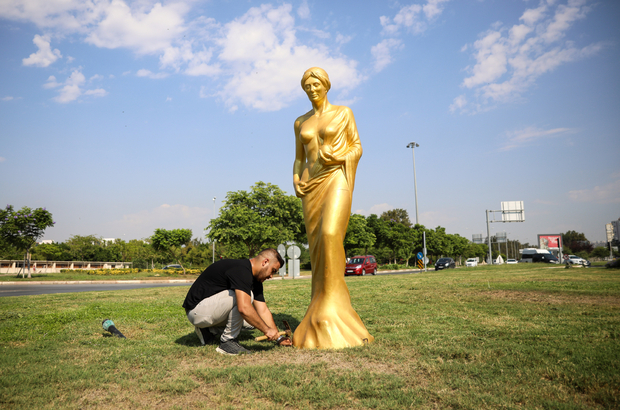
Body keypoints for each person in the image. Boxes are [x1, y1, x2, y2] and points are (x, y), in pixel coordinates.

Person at [292, 67, 374, 349]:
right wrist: (294, 179)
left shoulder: (343, 112)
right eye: (307, 86)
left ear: (326, 85)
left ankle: (335, 303)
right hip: (310, 185)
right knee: (316, 246)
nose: (311, 89)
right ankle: (319, 304)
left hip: (337, 176)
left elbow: (358, 148)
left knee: (330, 234)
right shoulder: (300, 121)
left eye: (316, 84)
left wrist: (337, 155)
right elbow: (298, 159)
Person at [182, 248, 292, 355]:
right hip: (196, 311)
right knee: (245, 300)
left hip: (209, 310)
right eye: (273, 270)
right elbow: (243, 308)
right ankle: (227, 342)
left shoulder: (256, 279)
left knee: (254, 320)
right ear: (265, 262)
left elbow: (263, 311)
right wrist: (267, 330)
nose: (271, 276)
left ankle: (209, 331)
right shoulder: (242, 270)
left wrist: (278, 337)